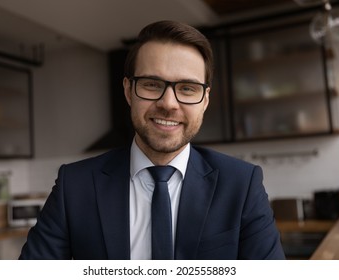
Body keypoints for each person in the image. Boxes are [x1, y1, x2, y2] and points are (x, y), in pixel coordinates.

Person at [19, 20, 285, 260]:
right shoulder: (74, 186)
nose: (168, 104)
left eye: (187, 88)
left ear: (205, 100)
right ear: (128, 91)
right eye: (151, 84)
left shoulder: (241, 184)